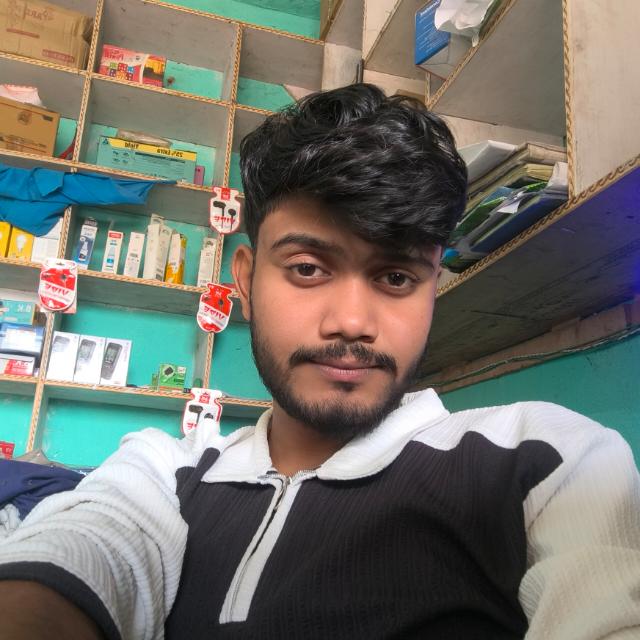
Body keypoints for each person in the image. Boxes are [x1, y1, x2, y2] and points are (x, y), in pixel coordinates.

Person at [0, 83, 638, 640]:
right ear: (244, 280)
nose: (352, 322)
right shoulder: (166, 470)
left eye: (396, 277)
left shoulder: (542, 458)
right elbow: (86, 548)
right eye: (307, 268)